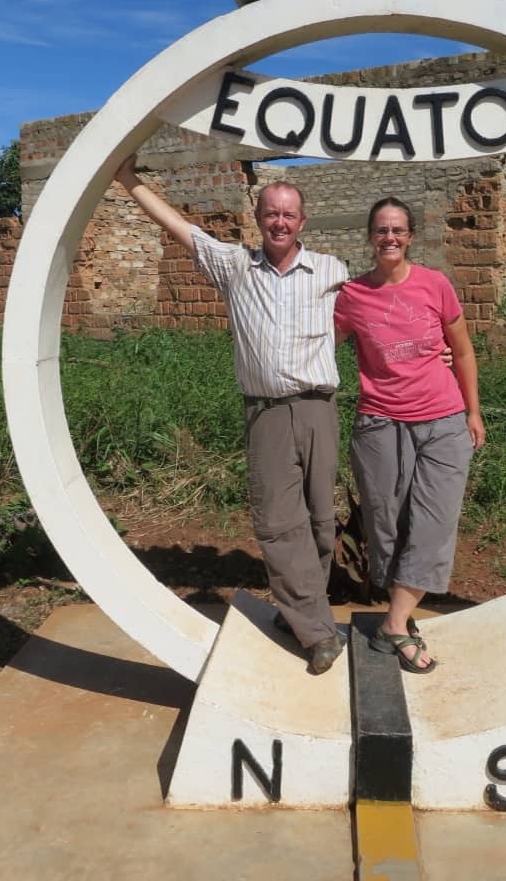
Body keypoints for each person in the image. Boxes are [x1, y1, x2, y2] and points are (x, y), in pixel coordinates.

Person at [114, 155, 348, 674]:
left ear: (302, 221)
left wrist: (434, 350)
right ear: (257, 218)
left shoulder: (333, 271)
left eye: (289, 214)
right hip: (265, 414)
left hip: (318, 410)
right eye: (270, 214)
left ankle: (296, 608)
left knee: (320, 522)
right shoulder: (235, 266)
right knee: (278, 521)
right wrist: (128, 178)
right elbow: (179, 227)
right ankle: (317, 632)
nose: (279, 222)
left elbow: (381, 312)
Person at [334, 197, 486, 674]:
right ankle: (400, 611)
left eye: (398, 230)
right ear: (369, 236)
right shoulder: (351, 296)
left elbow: (461, 351)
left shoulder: (435, 285)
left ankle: (395, 624)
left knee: (434, 523)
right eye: (381, 230)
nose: (390, 238)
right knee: (386, 526)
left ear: (411, 236)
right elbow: (316, 346)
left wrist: (474, 412)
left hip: (443, 420)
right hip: (380, 424)